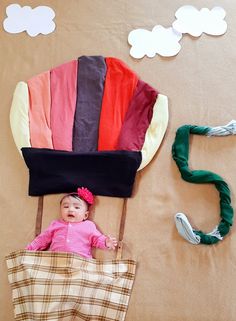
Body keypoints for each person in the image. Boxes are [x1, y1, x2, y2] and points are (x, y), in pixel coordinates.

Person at [26, 187, 118, 258]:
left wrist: (106, 242)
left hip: (81, 261)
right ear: (60, 211)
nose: (70, 209)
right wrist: (29, 249)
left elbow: (97, 239)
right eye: (66, 207)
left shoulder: (88, 226)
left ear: (85, 215)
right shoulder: (56, 224)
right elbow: (42, 239)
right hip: (57, 260)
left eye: (77, 207)